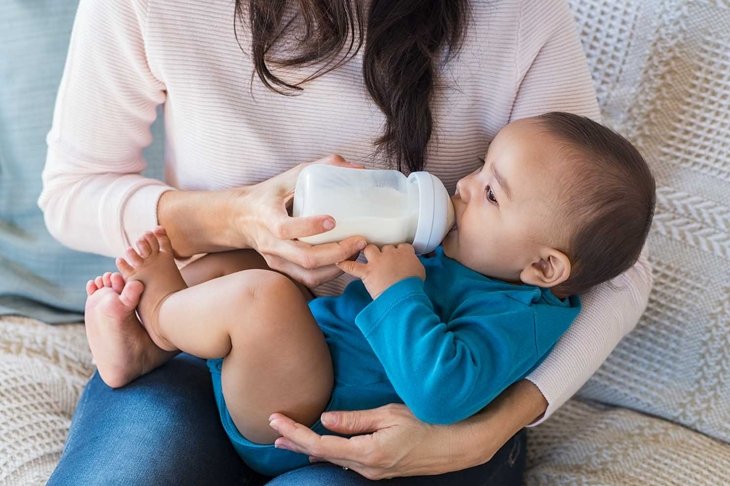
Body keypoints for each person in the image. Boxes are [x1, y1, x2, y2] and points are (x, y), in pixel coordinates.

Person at [39, 0, 653, 484]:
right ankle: (154, 331)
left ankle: (161, 319)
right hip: (225, 351)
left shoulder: (517, 15)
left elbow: (608, 267)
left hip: (374, 409)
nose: (463, 186)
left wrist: (486, 430)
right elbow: (73, 191)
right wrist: (236, 216)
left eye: (490, 189)